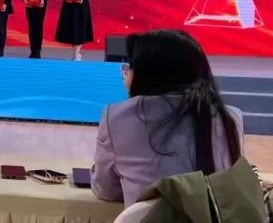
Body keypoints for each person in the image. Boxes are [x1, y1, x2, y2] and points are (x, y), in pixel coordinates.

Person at [91, 29, 244, 206]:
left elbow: (106, 189)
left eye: (129, 67)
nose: (125, 74)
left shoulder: (117, 117)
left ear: (147, 74)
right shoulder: (230, 118)